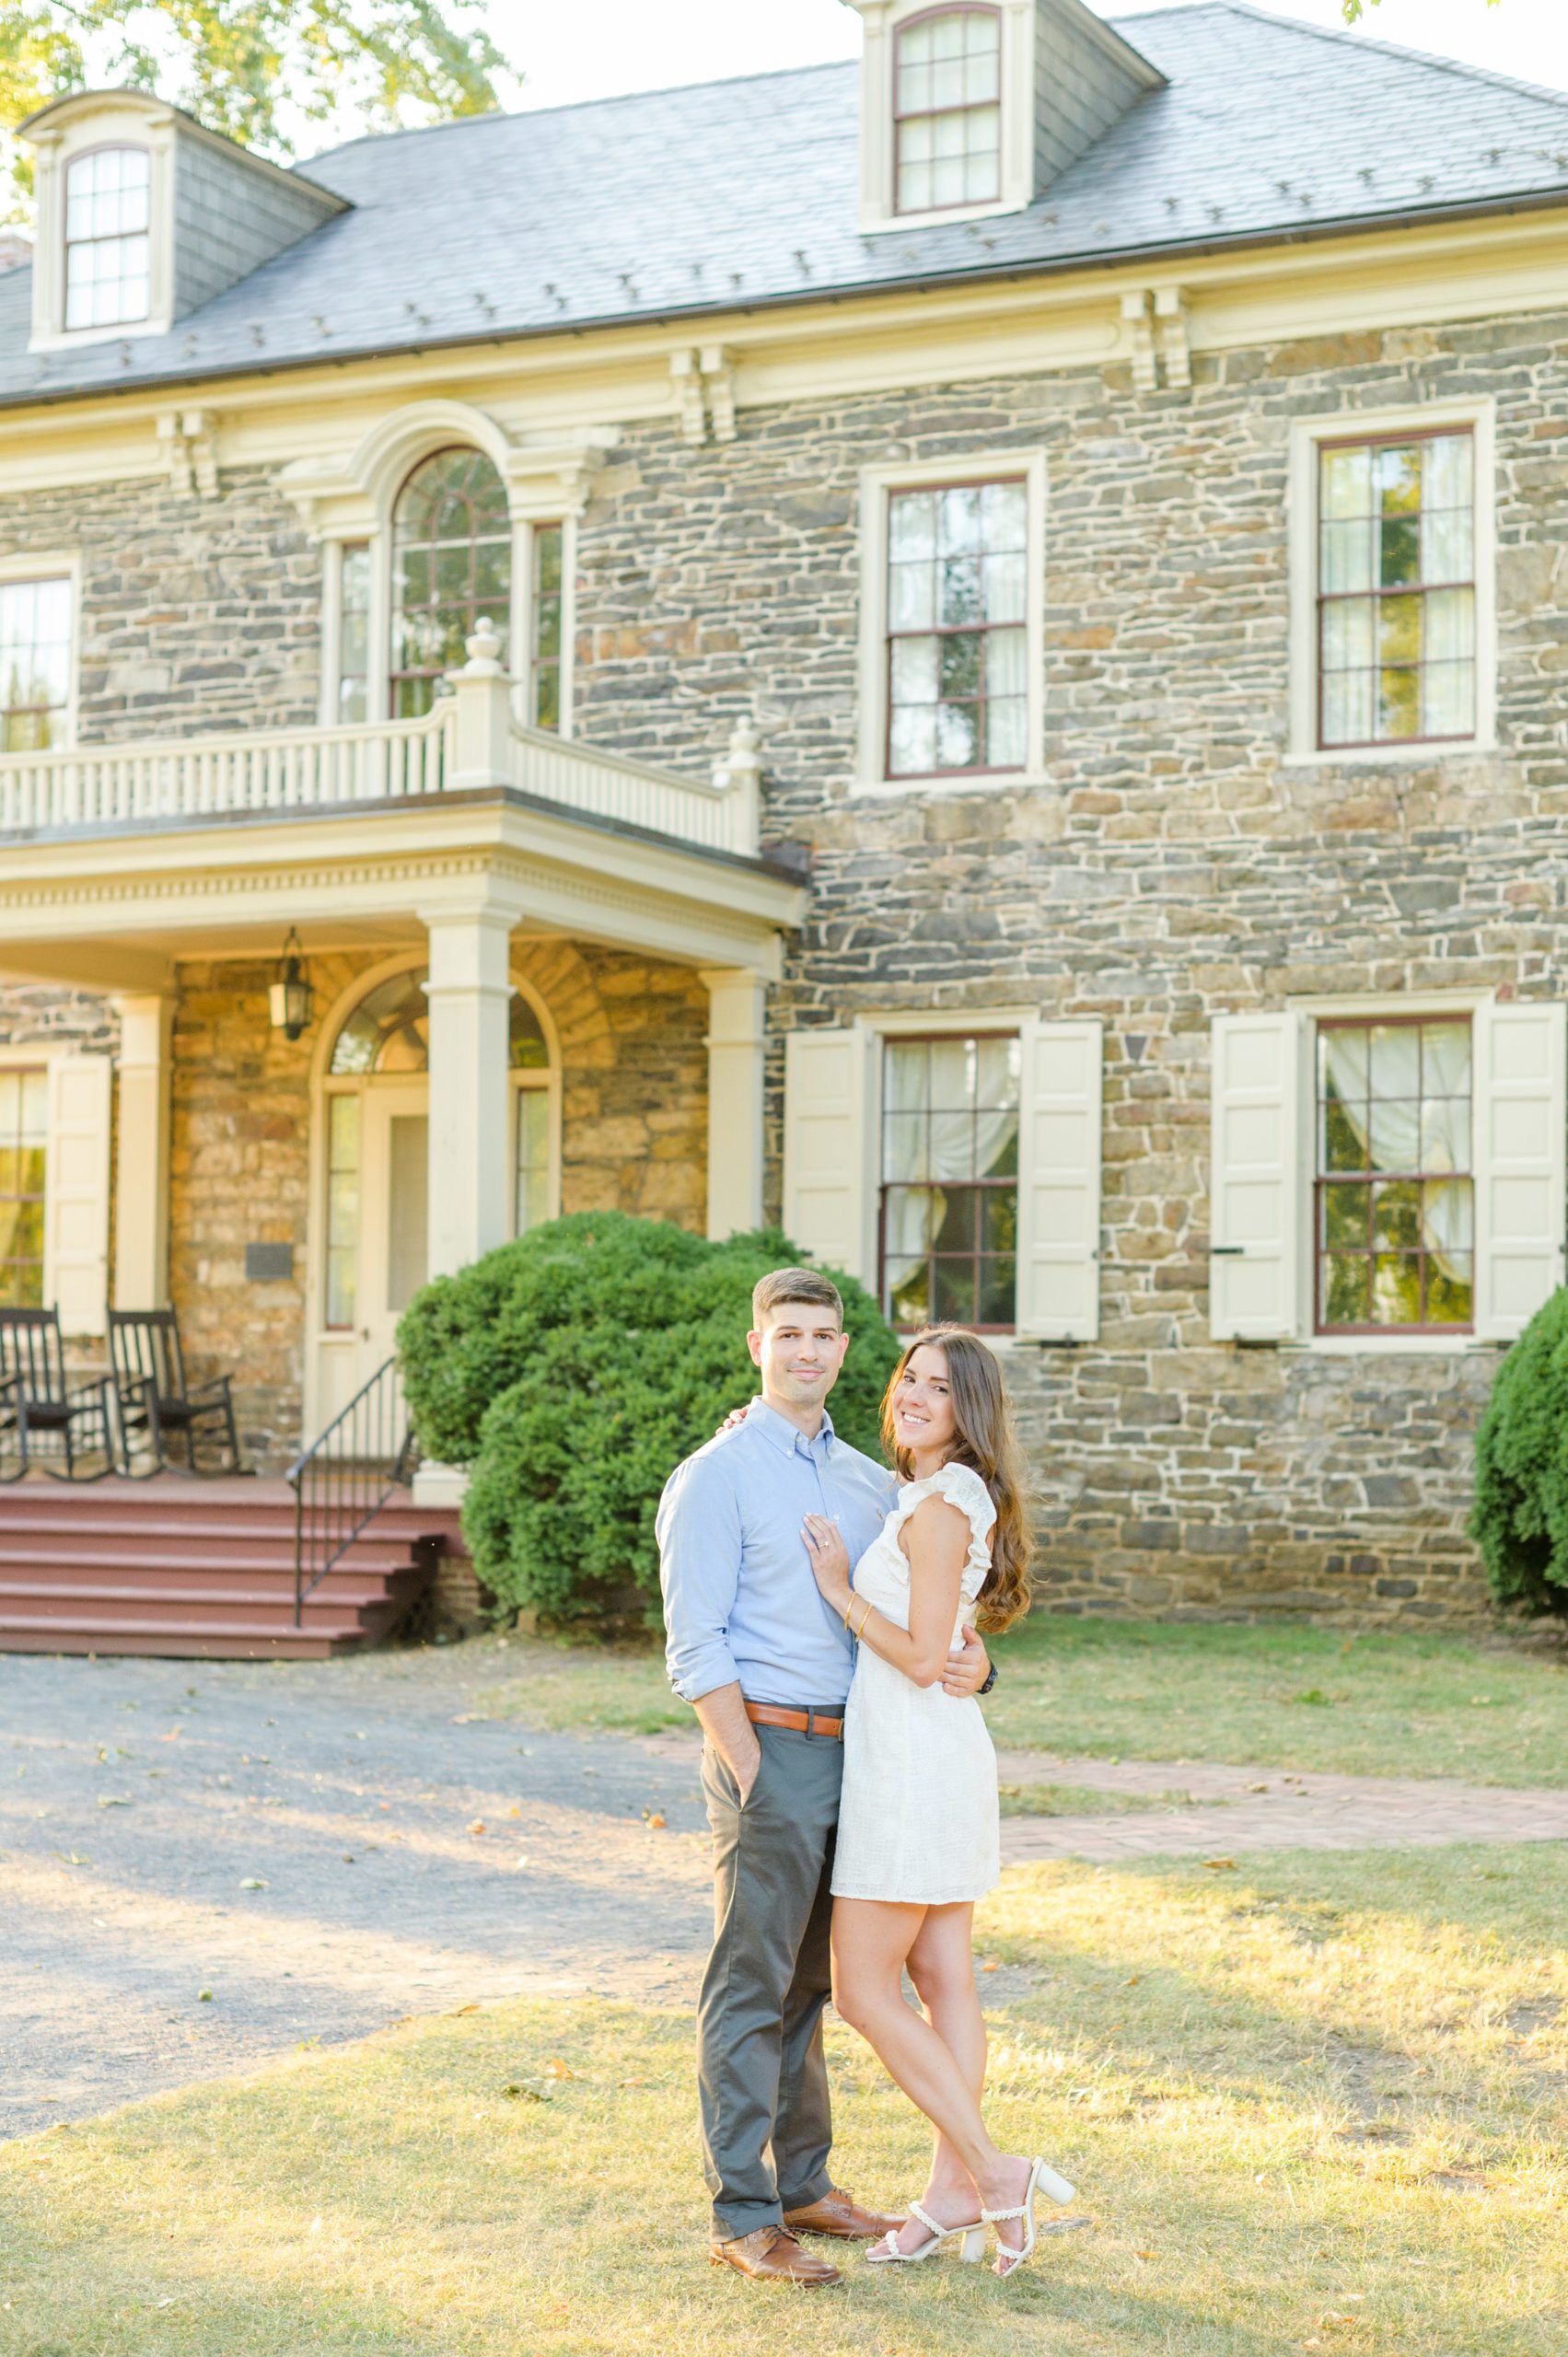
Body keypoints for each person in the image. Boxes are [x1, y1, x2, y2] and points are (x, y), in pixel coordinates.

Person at [656, 1269, 994, 2288]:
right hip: (771, 1751)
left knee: (818, 1981)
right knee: (752, 1981)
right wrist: (749, 1765)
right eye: (787, 1334)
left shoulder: (865, 1479)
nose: (807, 1350)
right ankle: (743, 2210)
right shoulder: (713, 1475)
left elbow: (924, 1604)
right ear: (756, 1345)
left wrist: (978, 1661)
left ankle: (804, 2182)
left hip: (870, 1758)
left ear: (845, 1350)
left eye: (824, 1335)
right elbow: (693, 1646)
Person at [800, 1325, 1075, 2280]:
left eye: (938, 1387)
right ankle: (956, 2187)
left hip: (912, 1768)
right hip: (934, 1754)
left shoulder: (936, 1507)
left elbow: (920, 1655)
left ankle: (994, 2171)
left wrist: (838, 1591)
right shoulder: (930, 1493)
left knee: (864, 1991)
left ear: (969, 1411)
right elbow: (948, 1641)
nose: (913, 1394)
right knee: (943, 1977)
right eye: (907, 1377)